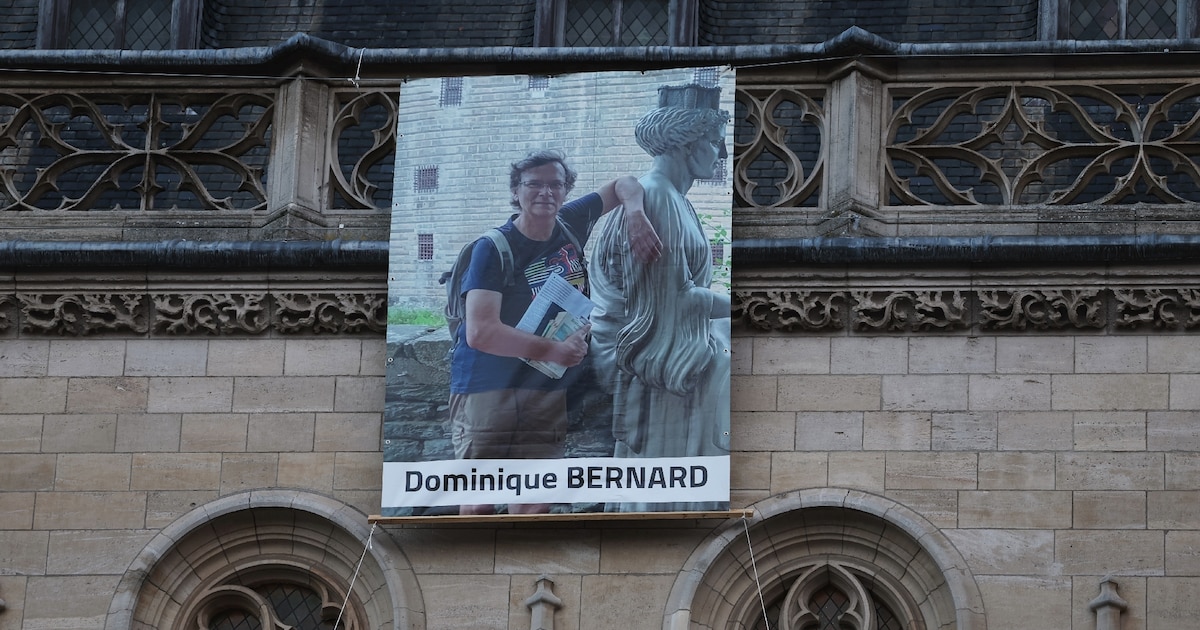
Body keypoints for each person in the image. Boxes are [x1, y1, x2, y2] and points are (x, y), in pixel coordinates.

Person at [451, 149, 661, 515]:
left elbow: (624, 184)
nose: (545, 193)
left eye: (555, 185)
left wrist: (636, 214)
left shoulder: (571, 222)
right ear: (516, 191)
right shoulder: (492, 248)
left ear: (566, 191)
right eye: (534, 184)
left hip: (545, 387)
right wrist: (554, 350)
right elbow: (481, 332)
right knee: (479, 498)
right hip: (488, 386)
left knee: (534, 499)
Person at [589, 84, 732, 512]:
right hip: (648, 351)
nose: (720, 153)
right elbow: (672, 304)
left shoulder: (668, 198)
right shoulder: (658, 200)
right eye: (713, 141)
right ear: (687, 144)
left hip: (664, 335)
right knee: (727, 359)